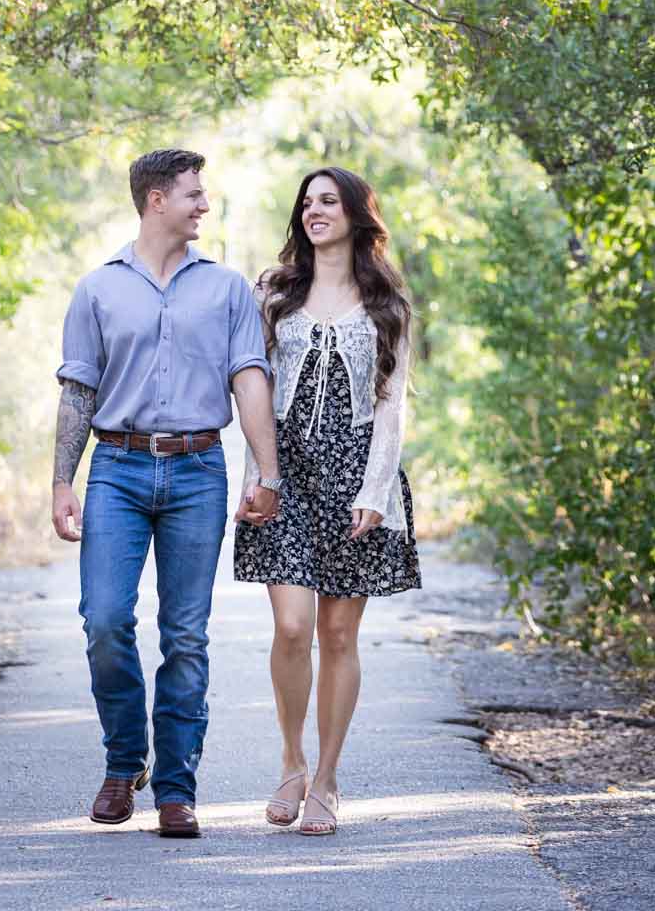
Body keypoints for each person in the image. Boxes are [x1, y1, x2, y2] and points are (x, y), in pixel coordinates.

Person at [52, 147, 282, 839]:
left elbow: (249, 382)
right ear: (156, 199)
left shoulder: (228, 289)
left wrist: (266, 473)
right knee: (103, 621)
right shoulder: (96, 289)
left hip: (196, 472)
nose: (203, 205)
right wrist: (62, 481)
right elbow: (77, 392)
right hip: (116, 471)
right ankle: (123, 764)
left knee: (185, 634)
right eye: (193, 194)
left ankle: (176, 789)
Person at [233, 164, 420, 836]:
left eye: (328, 201)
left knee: (338, 633)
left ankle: (328, 779)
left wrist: (375, 489)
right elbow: (249, 389)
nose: (314, 211)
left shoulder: (387, 304)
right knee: (291, 627)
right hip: (285, 474)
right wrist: (257, 474)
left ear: (354, 216)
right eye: (307, 202)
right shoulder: (273, 293)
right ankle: (290, 761)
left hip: (355, 478)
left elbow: (392, 405)